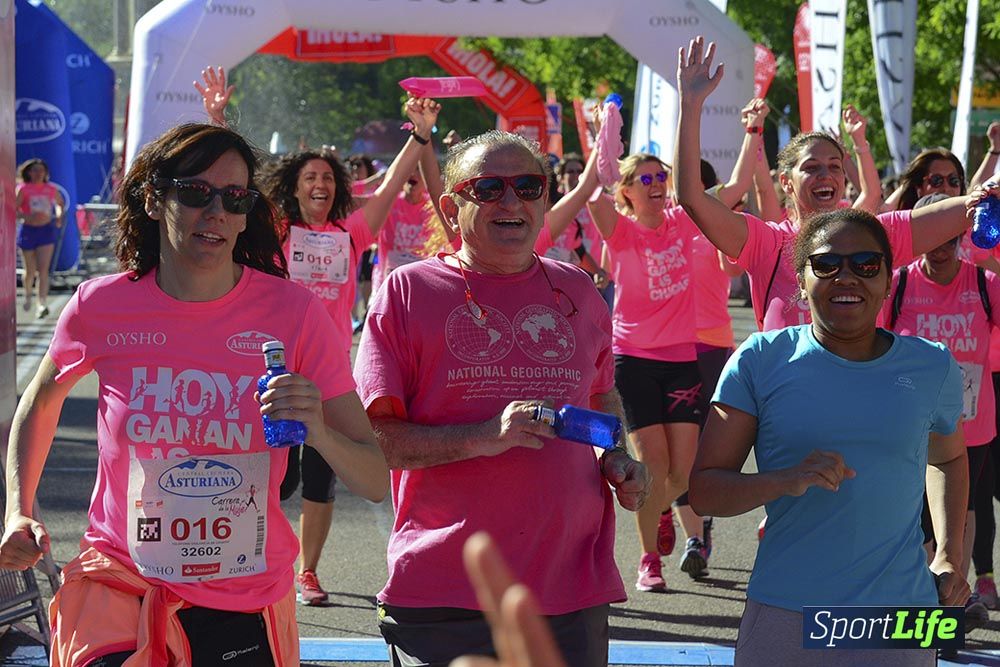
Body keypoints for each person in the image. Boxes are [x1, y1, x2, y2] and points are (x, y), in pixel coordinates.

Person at [0, 123, 389, 665]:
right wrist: (17, 510)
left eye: (235, 198)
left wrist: (319, 432)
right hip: (120, 584)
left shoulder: (294, 315)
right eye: (195, 192)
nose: (217, 213)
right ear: (154, 200)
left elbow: (373, 478)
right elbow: (40, 402)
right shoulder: (100, 305)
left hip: (243, 599)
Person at [354, 129, 650, 667]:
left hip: (570, 587)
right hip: (446, 590)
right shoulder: (405, 292)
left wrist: (618, 457)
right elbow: (376, 443)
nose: (511, 201)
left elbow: (601, 393)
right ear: (452, 205)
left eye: (528, 186)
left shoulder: (579, 291)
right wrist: (483, 436)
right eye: (487, 187)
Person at [690, 205, 975, 666]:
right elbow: (704, 492)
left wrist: (947, 554)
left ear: (887, 279)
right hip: (790, 608)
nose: (847, 277)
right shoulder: (760, 359)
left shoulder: (932, 364)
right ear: (801, 281)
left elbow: (947, 458)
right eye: (826, 264)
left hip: (904, 611)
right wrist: (785, 479)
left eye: (866, 265)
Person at [197, 71, 439, 605]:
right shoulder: (276, 229)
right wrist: (216, 120)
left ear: (338, 189)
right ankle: (252, 553)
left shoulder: (351, 233)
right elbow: (238, 185)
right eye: (310, 177)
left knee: (322, 479)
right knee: (271, 477)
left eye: (328, 178)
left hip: (328, 373)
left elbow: (397, 182)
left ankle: (308, 571)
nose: (320, 185)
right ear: (296, 186)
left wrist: (420, 137)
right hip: (271, 372)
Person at [549, 93, 766, 591]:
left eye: (661, 176)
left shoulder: (686, 221)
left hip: (682, 360)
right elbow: (598, 183)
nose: (656, 184)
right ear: (628, 191)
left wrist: (752, 132)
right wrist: (608, 128)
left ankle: (661, 509)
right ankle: (650, 560)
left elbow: (732, 187)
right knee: (654, 463)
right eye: (644, 178)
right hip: (634, 362)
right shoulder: (620, 232)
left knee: (685, 472)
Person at [674, 37, 976, 335]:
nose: (825, 175)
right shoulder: (766, 245)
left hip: (861, 385)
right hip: (786, 385)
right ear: (786, 183)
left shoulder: (873, 235)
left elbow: (968, 206)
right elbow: (691, 198)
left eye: (834, 166)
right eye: (811, 168)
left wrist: (989, 192)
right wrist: (690, 103)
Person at [882, 192, 1000, 630]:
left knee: (960, 513)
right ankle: (918, 604)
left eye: (952, 234)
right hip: (908, 427)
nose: (942, 243)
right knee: (914, 517)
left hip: (971, 427)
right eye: (933, 233)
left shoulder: (983, 283)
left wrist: (990, 262)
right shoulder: (900, 283)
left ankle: (948, 607)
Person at [15, 158, 65, 319]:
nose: (38, 173)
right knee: (30, 271)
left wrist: (58, 216)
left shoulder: (50, 189)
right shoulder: (23, 189)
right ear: (28, 172)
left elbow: (59, 204)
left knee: (43, 270)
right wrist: (27, 216)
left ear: (45, 173)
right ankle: (28, 293)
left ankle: (41, 303)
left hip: (45, 231)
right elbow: (13, 210)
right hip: (28, 231)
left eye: (41, 170)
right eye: (34, 170)